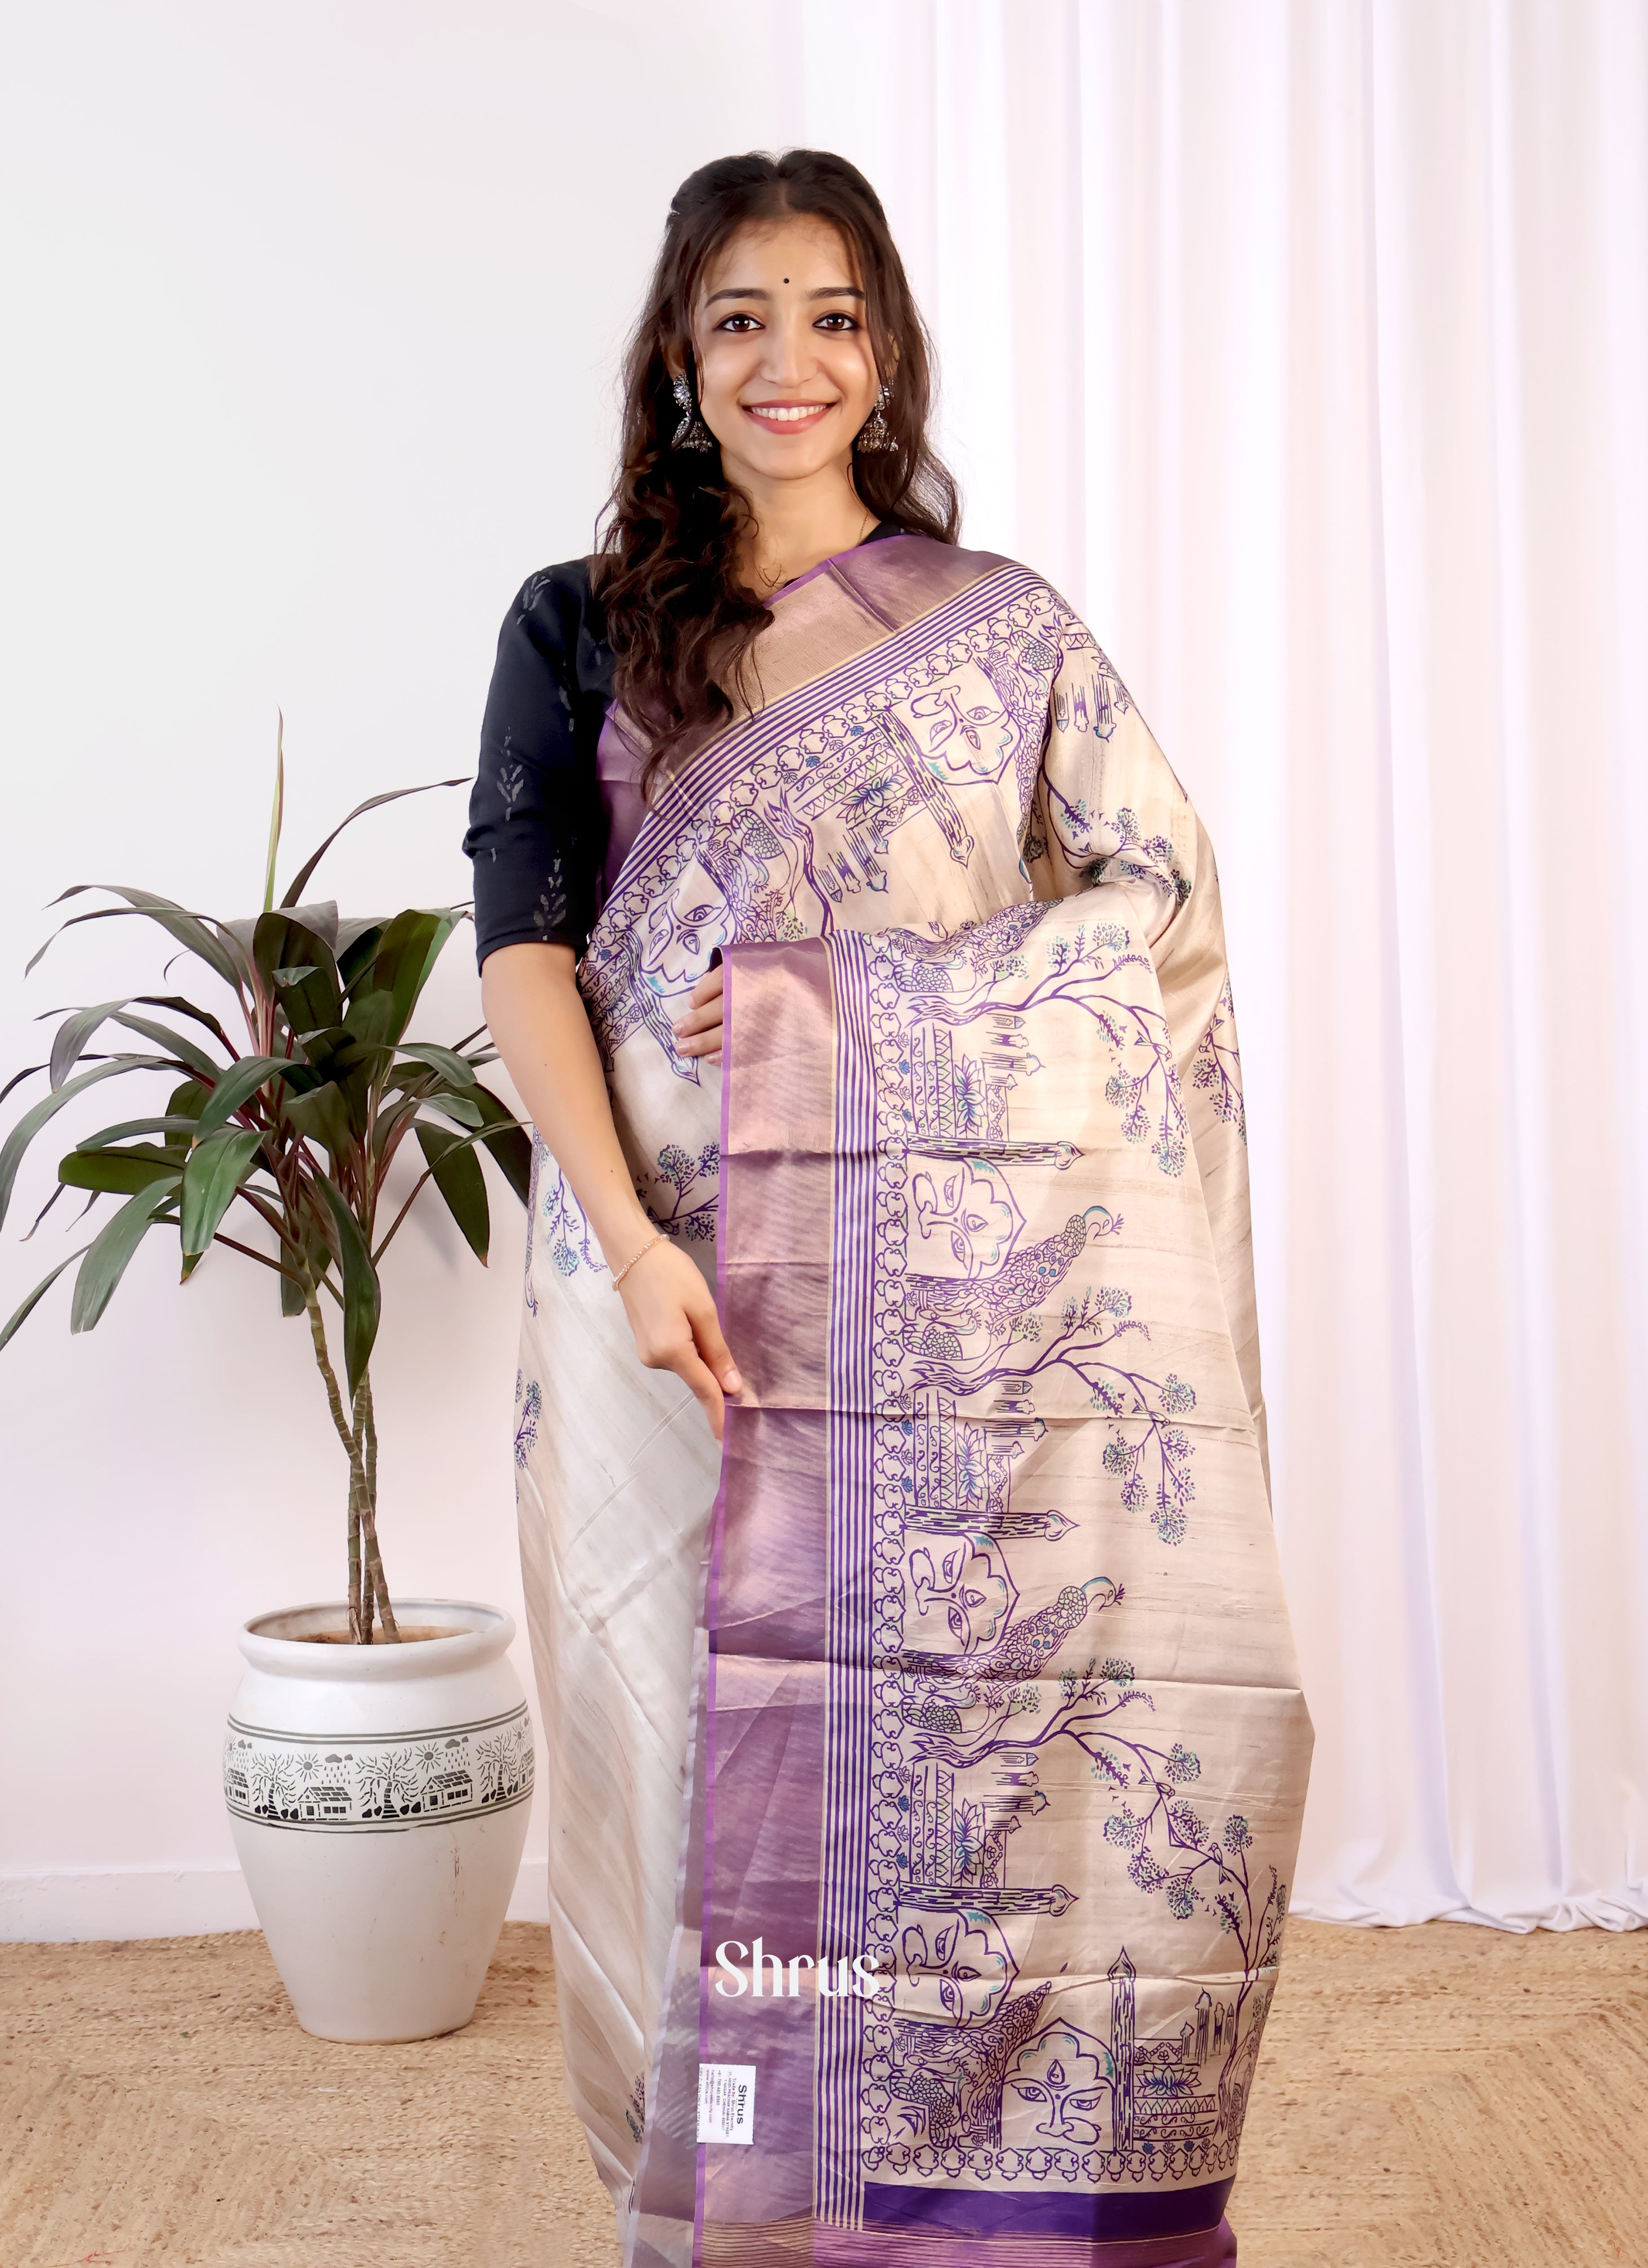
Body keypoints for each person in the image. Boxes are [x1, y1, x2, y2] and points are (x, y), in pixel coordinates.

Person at [468, 148, 1311, 2268]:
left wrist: (867, 1022)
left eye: (832, 316)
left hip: (949, 1315)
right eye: (740, 317)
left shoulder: (998, 630)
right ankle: (712, 2220)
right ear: (678, 354)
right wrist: (635, 1244)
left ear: (887, 350)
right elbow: (525, 955)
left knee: (963, 1756)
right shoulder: (578, 624)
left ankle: (945, 2219)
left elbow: (1157, 912)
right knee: (680, 1757)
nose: (791, 361)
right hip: (657, 1298)